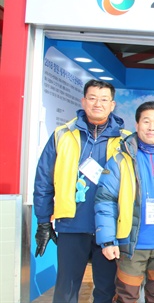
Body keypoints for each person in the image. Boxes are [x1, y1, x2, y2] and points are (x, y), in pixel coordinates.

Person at [33, 79, 129, 303]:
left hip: (110, 227)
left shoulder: (125, 140)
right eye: (93, 98)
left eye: (104, 99)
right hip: (72, 224)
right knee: (66, 289)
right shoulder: (63, 135)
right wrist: (43, 221)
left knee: (107, 290)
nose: (98, 103)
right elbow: (44, 180)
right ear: (83, 101)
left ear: (112, 105)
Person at [94, 101, 154, 302]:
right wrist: (108, 240)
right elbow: (105, 200)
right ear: (137, 125)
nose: (151, 127)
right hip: (131, 246)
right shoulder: (121, 159)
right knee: (126, 297)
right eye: (146, 121)